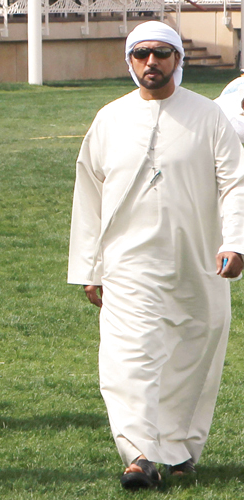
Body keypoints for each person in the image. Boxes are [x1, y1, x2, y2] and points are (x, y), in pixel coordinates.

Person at [67, 21, 244, 491]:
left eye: (162, 53)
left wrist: (235, 242)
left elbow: (234, 185)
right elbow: (88, 195)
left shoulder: (209, 117)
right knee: (128, 359)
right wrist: (89, 266)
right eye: (142, 53)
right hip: (128, 264)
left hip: (198, 262)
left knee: (193, 354)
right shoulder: (109, 119)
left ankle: (182, 451)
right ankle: (139, 455)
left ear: (178, 59)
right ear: (129, 61)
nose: (152, 62)